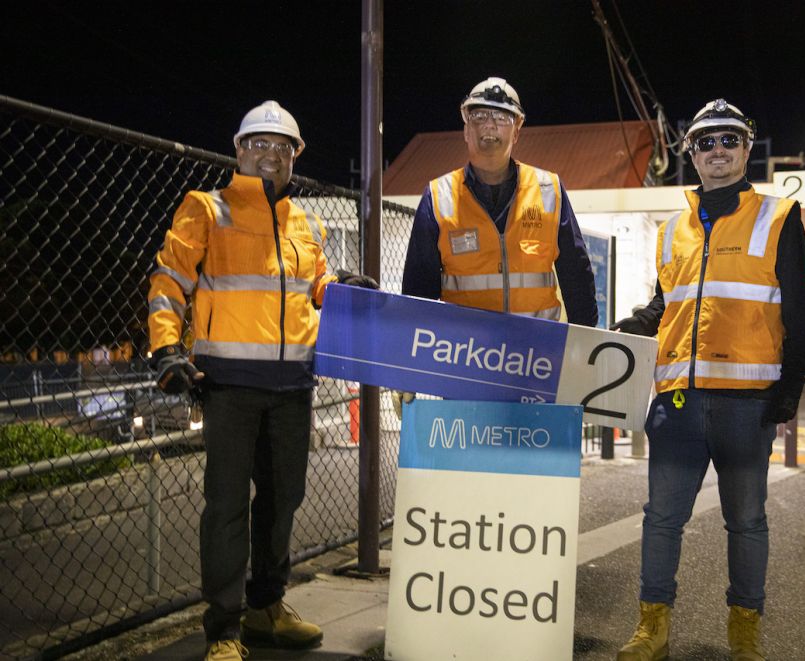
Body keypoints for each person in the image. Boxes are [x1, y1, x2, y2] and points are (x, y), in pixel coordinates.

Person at [147, 100, 378, 661]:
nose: (271, 155)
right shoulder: (208, 208)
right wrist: (165, 347)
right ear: (239, 148)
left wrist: (340, 284)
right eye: (260, 144)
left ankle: (265, 608)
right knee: (226, 506)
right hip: (227, 384)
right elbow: (169, 277)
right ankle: (223, 631)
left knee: (282, 500)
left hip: (293, 385)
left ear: (294, 158)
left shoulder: (307, 221)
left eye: (283, 148)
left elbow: (313, 284)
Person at [611, 99, 805, 661]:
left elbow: (803, 310)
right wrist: (630, 325)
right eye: (705, 142)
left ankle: (744, 637)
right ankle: (651, 628)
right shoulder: (671, 231)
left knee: (746, 522)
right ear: (692, 157)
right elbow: (669, 302)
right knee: (660, 520)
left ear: (746, 150)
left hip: (747, 405)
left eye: (729, 140)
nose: (718, 151)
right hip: (678, 401)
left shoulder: (777, 218)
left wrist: (792, 385)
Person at [401, 76, 598, 326]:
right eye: (479, 116)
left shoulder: (549, 190)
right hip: (464, 353)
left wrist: (586, 348)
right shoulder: (439, 197)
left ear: (516, 131)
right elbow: (418, 294)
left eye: (502, 118)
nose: (490, 126)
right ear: (466, 129)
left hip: (537, 354)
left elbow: (577, 277)